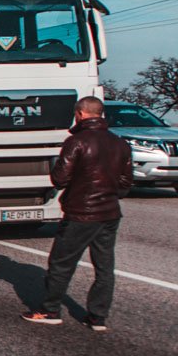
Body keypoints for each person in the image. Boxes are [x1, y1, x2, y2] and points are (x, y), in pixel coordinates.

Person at [22, 96, 132, 331]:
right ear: (101, 114)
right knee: (104, 266)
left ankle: (50, 309)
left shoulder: (76, 142)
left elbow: (60, 179)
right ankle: (97, 316)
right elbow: (125, 181)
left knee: (62, 263)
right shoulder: (120, 143)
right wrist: (110, 194)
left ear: (80, 114)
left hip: (81, 212)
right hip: (110, 212)